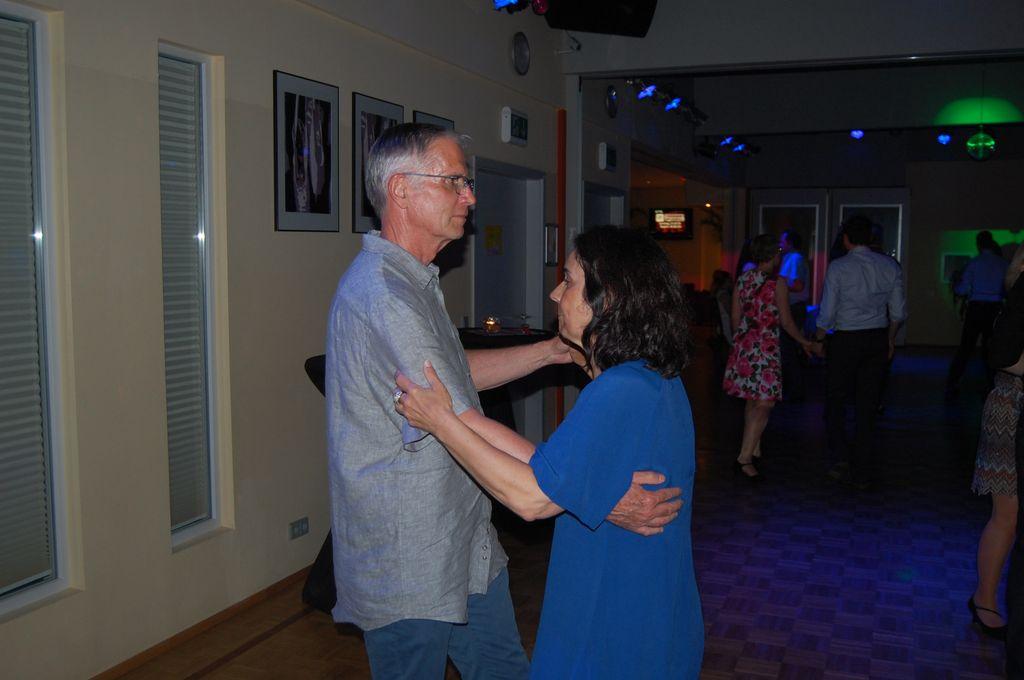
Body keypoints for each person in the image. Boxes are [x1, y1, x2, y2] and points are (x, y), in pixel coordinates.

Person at [325, 124, 683, 679]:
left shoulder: (415, 280)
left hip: (463, 537)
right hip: (410, 550)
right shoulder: (385, 294)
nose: (469, 196)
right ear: (400, 190)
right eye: (454, 182)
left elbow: (455, 377)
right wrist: (594, 492)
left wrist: (550, 352)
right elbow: (458, 415)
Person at [395, 226, 704, 678]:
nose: (555, 293)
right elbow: (550, 469)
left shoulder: (619, 391)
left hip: (614, 623)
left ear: (608, 299)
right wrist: (456, 413)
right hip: (645, 612)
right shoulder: (653, 379)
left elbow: (533, 498)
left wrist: (441, 423)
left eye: (570, 280)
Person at [814, 215, 907, 491]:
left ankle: (841, 458)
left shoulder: (838, 267)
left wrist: (819, 339)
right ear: (871, 238)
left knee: (836, 401)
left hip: (845, 340)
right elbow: (898, 312)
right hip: (876, 339)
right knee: (867, 405)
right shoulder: (890, 265)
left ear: (846, 239)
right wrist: (889, 339)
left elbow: (827, 311)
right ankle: (862, 468)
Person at [723, 234, 815, 480]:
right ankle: (744, 458)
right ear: (773, 256)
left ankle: (754, 449)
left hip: (745, 345)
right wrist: (805, 341)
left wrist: (741, 342)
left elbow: (735, 317)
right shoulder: (778, 284)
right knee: (765, 403)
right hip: (765, 347)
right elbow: (787, 322)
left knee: (752, 401)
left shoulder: (743, 279)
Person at [969, 245, 1024, 641]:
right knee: (1008, 514)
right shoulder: (1021, 294)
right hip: (1012, 408)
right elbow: (1000, 355)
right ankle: (984, 599)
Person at [947, 230, 1008, 393]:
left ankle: (952, 383)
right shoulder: (1003, 264)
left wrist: (956, 284)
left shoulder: (974, 263)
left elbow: (961, 290)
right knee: (990, 348)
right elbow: (1007, 289)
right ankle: (992, 385)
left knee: (966, 347)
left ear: (978, 244)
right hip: (995, 309)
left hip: (976, 308)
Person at [779, 230, 810, 401]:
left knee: (788, 349)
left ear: (790, 243)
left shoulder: (795, 259)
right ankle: (792, 388)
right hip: (793, 307)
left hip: (794, 308)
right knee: (787, 348)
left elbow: (798, 286)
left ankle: (795, 390)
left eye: (782, 241)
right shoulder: (791, 258)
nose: (780, 245)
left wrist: (778, 287)